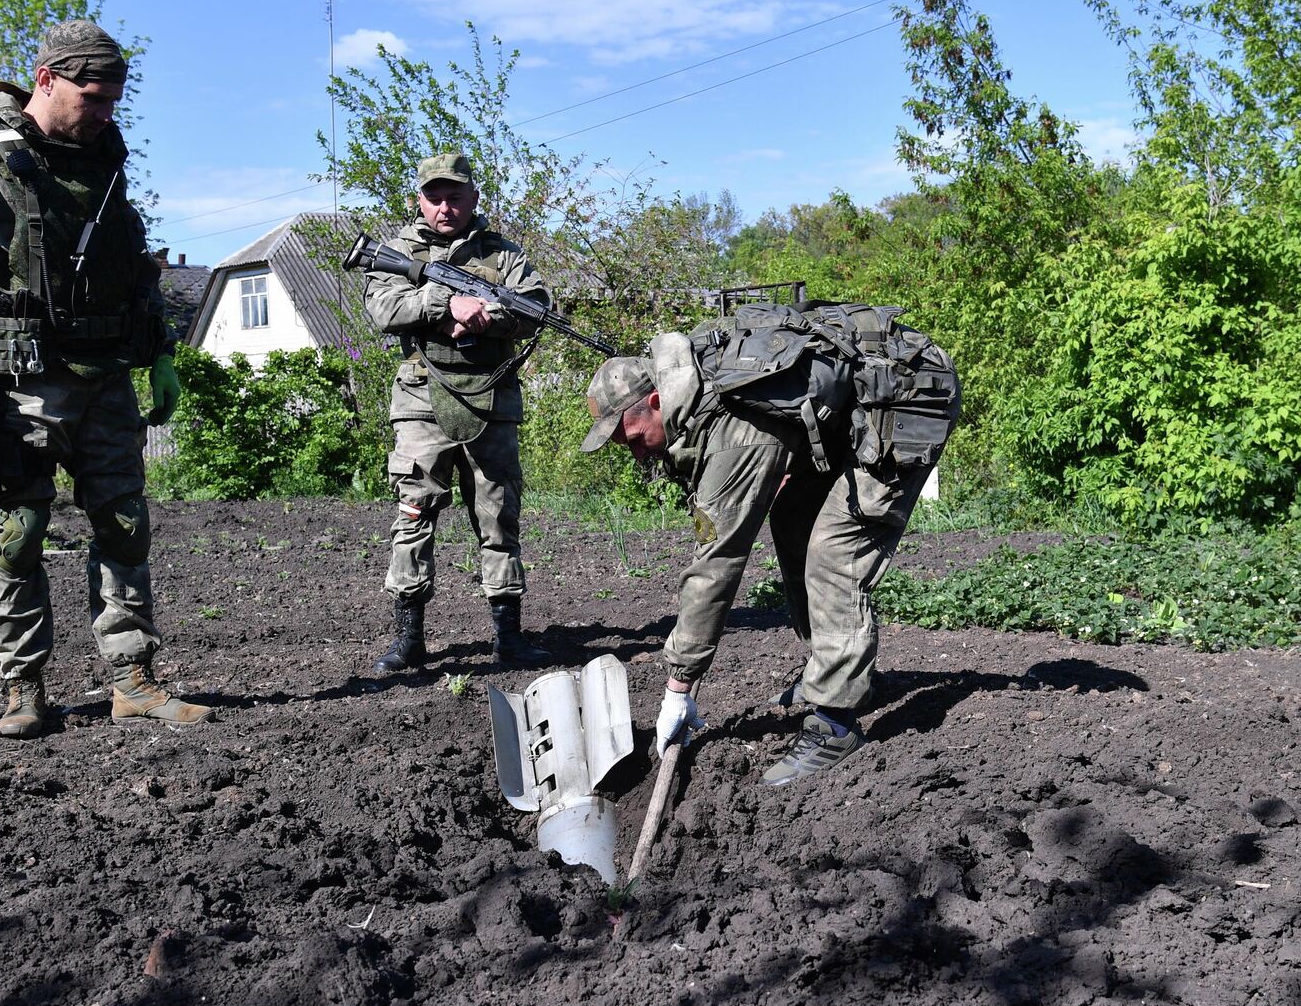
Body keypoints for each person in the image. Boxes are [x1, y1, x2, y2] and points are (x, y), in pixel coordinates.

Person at [0, 20, 211, 738]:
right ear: (46, 79)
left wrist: (160, 352)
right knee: (19, 534)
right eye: (91, 97)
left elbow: (134, 270)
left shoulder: (104, 164)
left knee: (124, 530)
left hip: (103, 385)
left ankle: (133, 678)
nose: (104, 113)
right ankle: (23, 690)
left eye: (112, 101)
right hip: (15, 386)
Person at [580, 308, 959, 785]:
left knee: (834, 554)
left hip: (904, 399)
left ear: (656, 400)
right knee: (794, 520)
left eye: (634, 438)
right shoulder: (689, 383)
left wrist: (679, 684)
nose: (637, 454)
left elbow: (718, 562)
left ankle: (835, 726)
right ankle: (835, 671)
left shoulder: (729, 427)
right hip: (854, 410)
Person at [359, 153, 552, 677]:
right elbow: (384, 309)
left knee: (498, 516)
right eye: (435, 196)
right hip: (422, 401)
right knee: (415, 512)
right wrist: (447, 304)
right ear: (418, 199)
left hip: (491, 399)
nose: (446, 207)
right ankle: (409, 639)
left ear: (474, 198)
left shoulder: (504, 255)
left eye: (456, 196)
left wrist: (484, 314)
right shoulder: (398, 251)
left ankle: (509, 638)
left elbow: (534, 305)